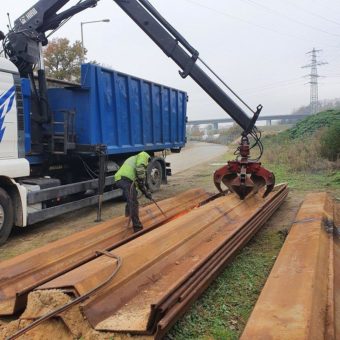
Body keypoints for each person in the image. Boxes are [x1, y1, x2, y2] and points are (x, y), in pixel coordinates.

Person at [114, 151, 152, 233]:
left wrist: (146, 193)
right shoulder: (143, 155)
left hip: (121, 179)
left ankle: (127, 216)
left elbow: (139, 183)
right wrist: (143, 181)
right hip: (126, 180)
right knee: (133, 202)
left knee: (131, 196)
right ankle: (137, 227)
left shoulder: (135, 159)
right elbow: (140, 173)